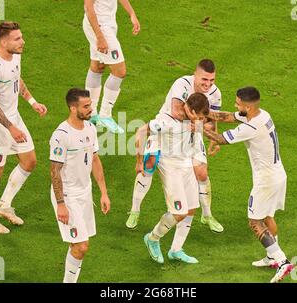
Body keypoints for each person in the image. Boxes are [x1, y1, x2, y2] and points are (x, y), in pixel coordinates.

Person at [200, 86, 294, 283]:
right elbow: (227, 117)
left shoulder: (250, 128)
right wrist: (204, 112)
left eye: (238, 103)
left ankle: (282, 261)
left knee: (254, 221)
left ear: (247, 107)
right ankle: (271, 258)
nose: (235, 105)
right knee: (267, 216)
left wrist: (197, 127)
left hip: (266, 181)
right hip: (278, 174)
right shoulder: (262, 115)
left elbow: (219, 139)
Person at [126, 59, 224, 233]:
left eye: (212, 80)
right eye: (204, 80)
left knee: (201, 172)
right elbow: (176, 112)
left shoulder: (215, 93)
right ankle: (135, 210)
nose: (208, 84)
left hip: (192, 131)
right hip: (166, 126)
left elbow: (211, 121)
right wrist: (199, 121)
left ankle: (207, 215)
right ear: (195, 75)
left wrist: (211, 136)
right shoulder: (182, 84)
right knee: (149, 163)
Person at [0, 21, 47, 234]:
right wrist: (10, 128)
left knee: (30, 161)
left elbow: (17, 78)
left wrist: (32, 101)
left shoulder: (15, 56)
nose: (22, 42)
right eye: (17, 38)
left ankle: (4, 204)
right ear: (3, 41)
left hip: (13, 119)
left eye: (21, 37)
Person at [137, 93, 210, 264]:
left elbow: (204, 124)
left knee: (191, 209)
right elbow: (141, 130)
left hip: (186, 164)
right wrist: (139, 160)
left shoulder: (192, 121)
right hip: (170, 167)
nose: (199, 121)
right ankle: (153, 238)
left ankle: (176, 250)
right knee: (179, 212)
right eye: (197, 117)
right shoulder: (167, 120)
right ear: (190, 110)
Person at [49, 88, 111, 283]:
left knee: (77, 245)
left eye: (90, 105)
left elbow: (94, 160)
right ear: (72, 107)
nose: (90, 109)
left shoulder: (90, 129)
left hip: (85, 193)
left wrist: (103, 193)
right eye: (86, 106)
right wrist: (61, 203)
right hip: (67, 195)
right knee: (82, 246)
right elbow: (54, 171)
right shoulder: (61, 135)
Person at [83, 0, 140, 133]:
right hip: (99, 26)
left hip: (107, 24)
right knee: (120, 71)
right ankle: (105, 115)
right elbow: (88, 7)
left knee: (97, 66)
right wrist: (100, 36)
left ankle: (91, 114)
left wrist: (132, 13)